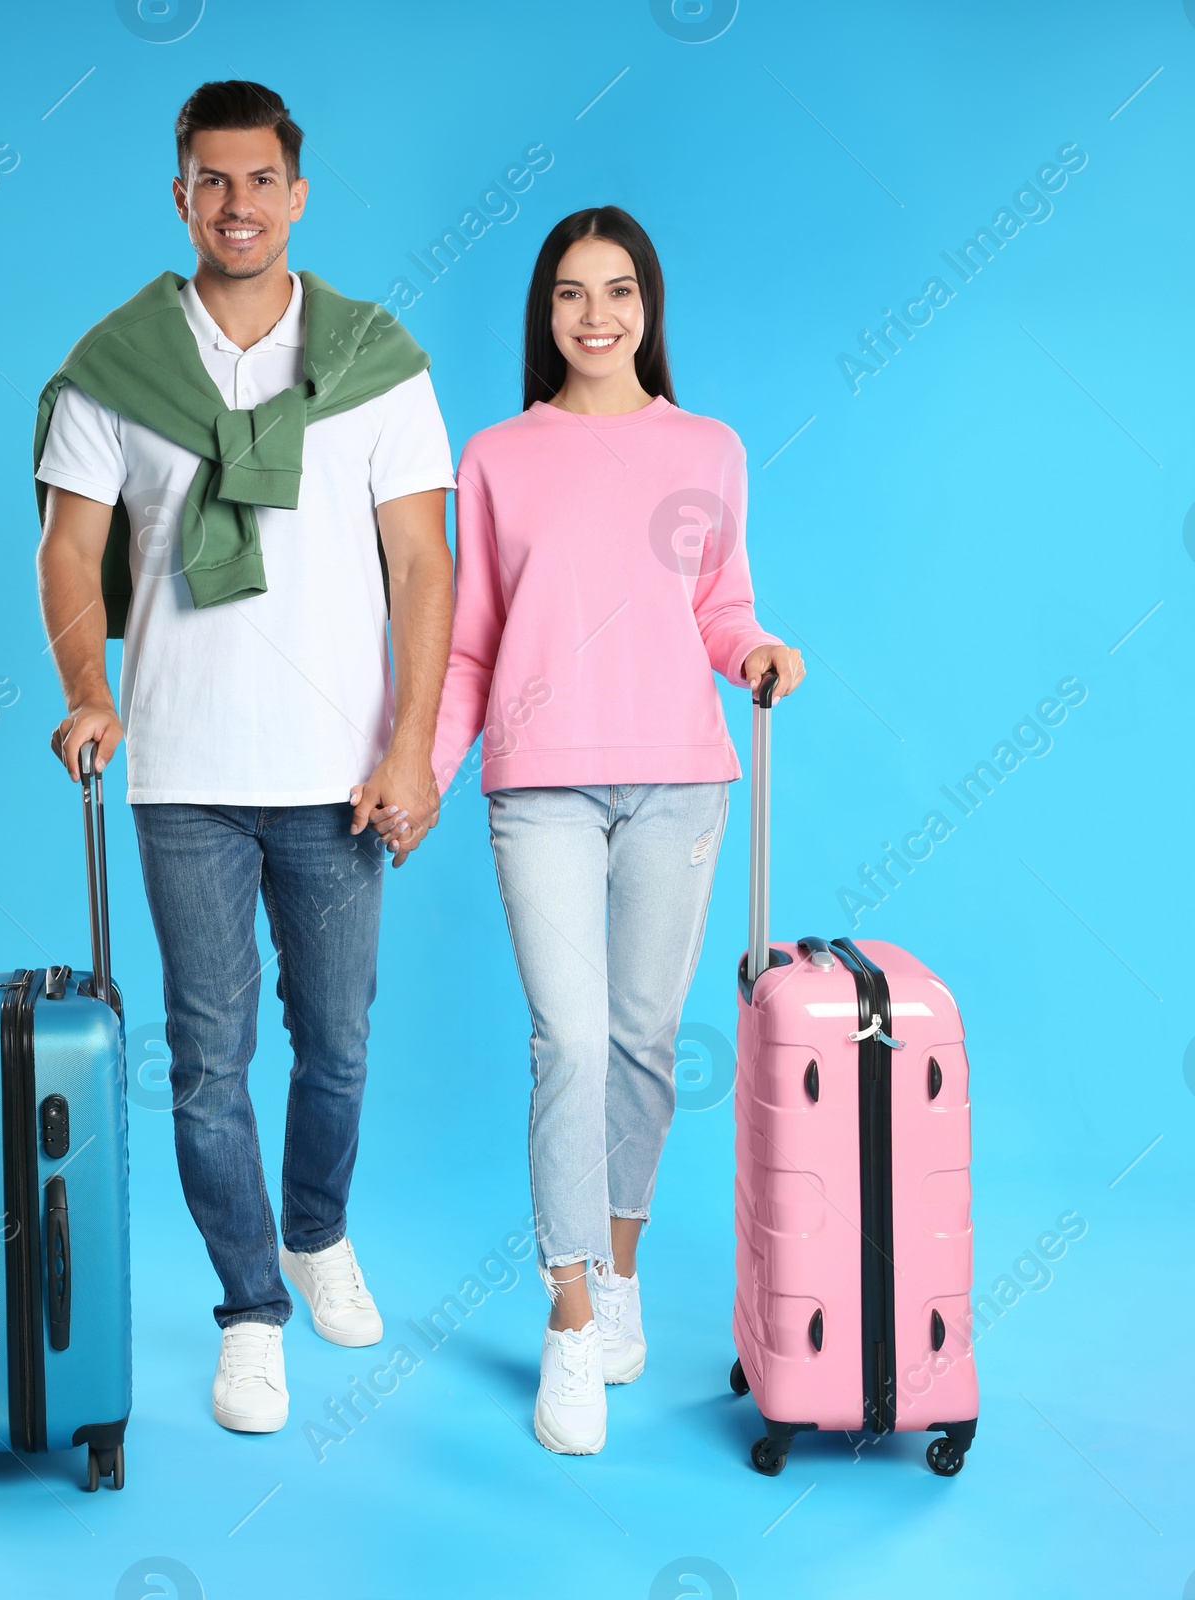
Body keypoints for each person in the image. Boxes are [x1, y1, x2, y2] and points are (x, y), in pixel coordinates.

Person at [33, 81, 455, 1435]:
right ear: (179, 197)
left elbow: (423, 567)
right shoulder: (116, 367)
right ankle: (250, 1312)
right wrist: (89, 690)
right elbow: (66, 547)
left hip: (339, 775)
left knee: (334, 1044)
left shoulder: (378, 360)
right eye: (211, 183)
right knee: (208, 1060)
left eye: (260, 181)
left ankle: (317, 1233)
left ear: (298, 193)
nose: (237, 206)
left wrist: (413, 748)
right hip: (185, 778)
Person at [423, 206, 805, 1455]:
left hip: (679, 780)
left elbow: (719, 603)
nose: (595, 316)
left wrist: (751, 649)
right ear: (543, 313)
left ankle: (624, 1267)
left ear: (649, 307)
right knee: (570, 1042)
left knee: (642, 1042)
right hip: (537, 781)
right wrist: (424, 773)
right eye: (571, 294)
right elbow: (467, 639)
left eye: (619, 291)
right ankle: (572, 1322)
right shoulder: (495, 458)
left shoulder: (707, 446)